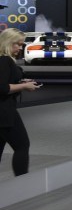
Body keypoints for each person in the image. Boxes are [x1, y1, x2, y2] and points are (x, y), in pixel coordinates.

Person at [0, 28, 41, 176]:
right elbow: (2, 88)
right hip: (4, 112)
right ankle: (23, 184)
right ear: (7, 42)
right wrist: (24, 86)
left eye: (21, 44)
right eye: (17, 44)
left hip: (4, 111)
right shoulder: (4, 60)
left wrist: (21, 82)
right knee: (22, 146)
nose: (20, 48)